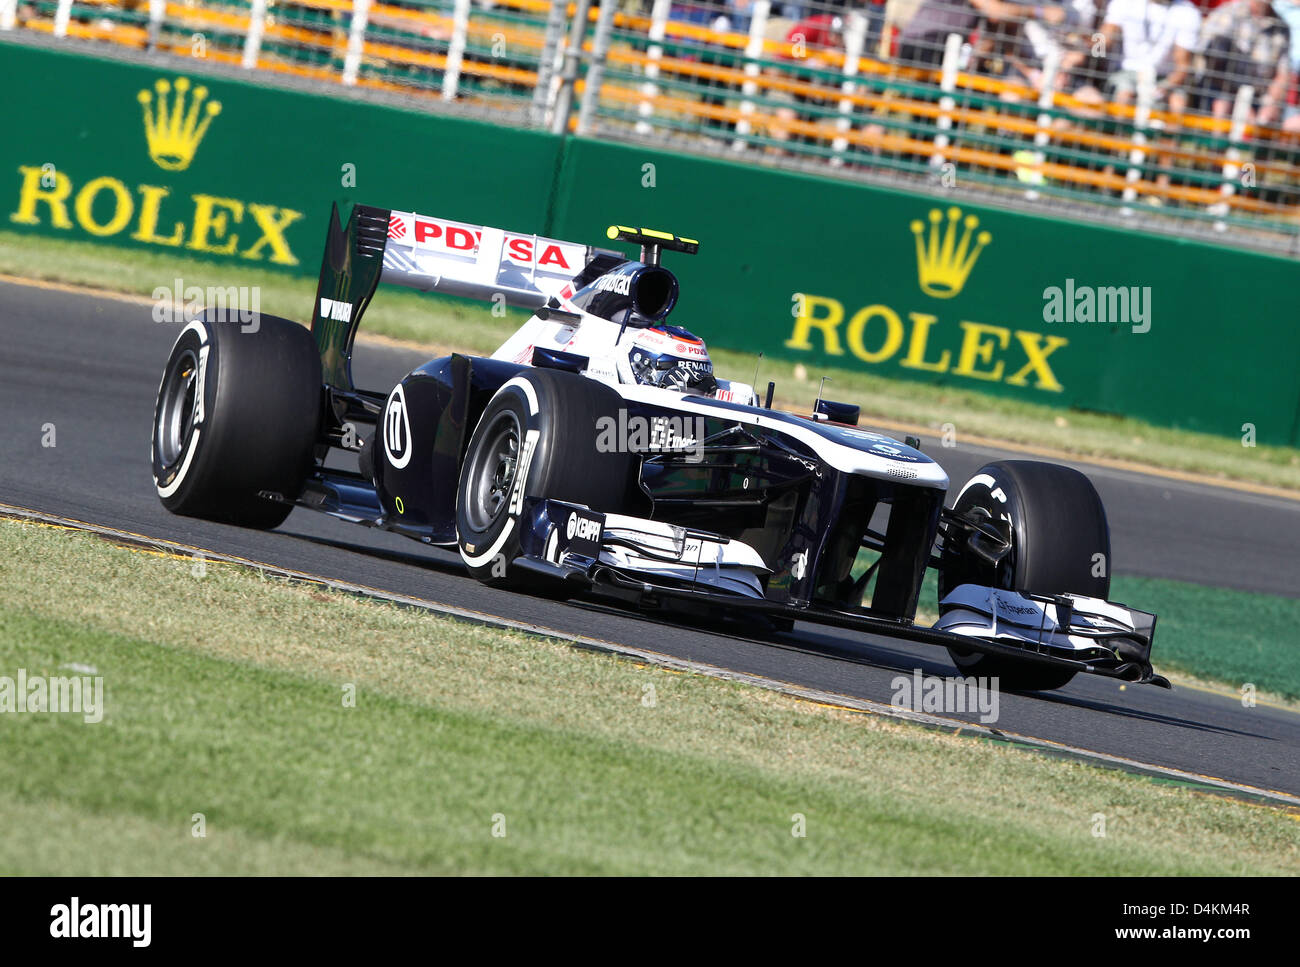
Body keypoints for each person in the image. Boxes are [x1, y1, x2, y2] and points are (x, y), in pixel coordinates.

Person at [1196, 0, 1291, 127]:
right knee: (1222, 106)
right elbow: (1210, 58)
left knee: (1266, 119)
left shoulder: (1281, 27)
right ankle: (1216, 145)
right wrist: (1241, 102)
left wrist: (1271, 103)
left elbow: (1283, 74)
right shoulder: (1230, 13)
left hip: (1258, 96)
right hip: (1221, 86)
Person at [897, 0, 1065, 68]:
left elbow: (997, 27)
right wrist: (1040, 12)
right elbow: (996, 11)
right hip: (924, 43)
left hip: (951, 49)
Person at [1100, 0, 1202, 112]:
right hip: (1127, 71)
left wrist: (1163, 88)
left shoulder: (1188, 12)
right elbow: (1103, 39)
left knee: (1178, 103)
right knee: (1124, 95)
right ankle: (1117, 129)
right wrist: (1087, 43)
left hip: (1164, 77)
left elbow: (1183, 65)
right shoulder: (1124, 3)